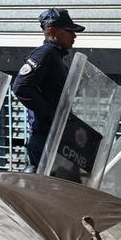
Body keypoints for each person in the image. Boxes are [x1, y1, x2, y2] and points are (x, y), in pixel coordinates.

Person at [14, 9, 83, 169]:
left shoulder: (56, 56)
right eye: (69, 31)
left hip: (56, 136)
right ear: (52, 31)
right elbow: (21, 87)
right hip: (45, 137)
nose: (74, 36)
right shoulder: (44, 54)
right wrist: (52, 114)